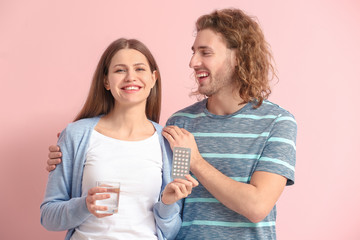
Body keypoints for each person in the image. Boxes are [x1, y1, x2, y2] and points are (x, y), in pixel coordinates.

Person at [47, 8, 297, 240]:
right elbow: (170, 201)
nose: (193, 62)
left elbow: (257, 207)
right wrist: (71, 148)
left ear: (238, 58)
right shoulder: (179, 125)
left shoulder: (277, 123)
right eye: (193, 51)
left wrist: (195, 162)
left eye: (205, 52)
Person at [40, 38, 198, 240]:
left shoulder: (170, 143)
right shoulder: (75, 134)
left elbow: (172, 231)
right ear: (106, 81)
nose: (131, 77)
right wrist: (84, 205)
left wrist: (167, 204)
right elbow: (48, 217)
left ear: (153, 78)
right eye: (120, 70)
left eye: (139, 69)